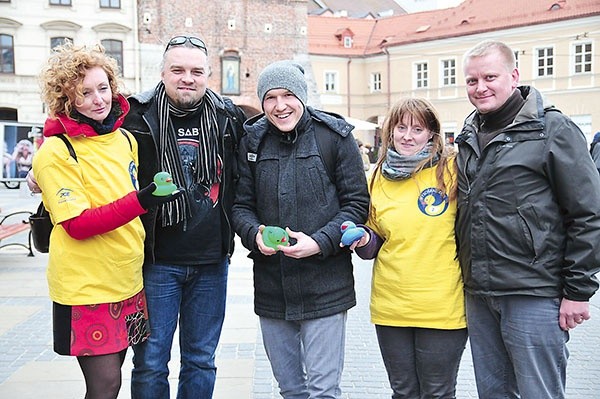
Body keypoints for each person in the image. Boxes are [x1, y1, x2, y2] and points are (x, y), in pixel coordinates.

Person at [32, 42, 181, 399]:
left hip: (127, 280)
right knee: (105, 385)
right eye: (85, 93)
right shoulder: (56, 151)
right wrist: (142, 200)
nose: (99, 100)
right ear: (67, 100)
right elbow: (77, 225)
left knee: (123, 374)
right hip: (87, 287)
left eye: (103, 88)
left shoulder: (123, 138)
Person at [455, 40, 600, 399]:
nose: (480, 87)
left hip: (533, 291)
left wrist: (578, 292)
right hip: (480, 292)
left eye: (490, 76)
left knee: (539, 393)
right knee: (494, 393)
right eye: (472, 80)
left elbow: (588, 213)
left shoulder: (553, 130)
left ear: (514, 75)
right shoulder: (470, 132)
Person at [232, 60, 370, 398]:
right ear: (262, 102)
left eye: (289, 95)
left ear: (302, 96)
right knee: (291, 389)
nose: (280, 106)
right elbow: (239, 207)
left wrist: (320, 242)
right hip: (272, 288)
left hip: (325, 286)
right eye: (271, 98)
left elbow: (356, 205)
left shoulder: (334, 137)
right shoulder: (252, 142)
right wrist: (255, 235)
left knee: (323, 390)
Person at [124, 35, 246, 398]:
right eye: (177, 70)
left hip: (212, 262)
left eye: (196, 71)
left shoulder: (228, 117)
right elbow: (90, 141)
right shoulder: (135, 115)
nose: (187, 78)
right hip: (155, 261)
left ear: (209, 75)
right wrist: (41, 166)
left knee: (201, 359)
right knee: (149, 361)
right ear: (162, 73)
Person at [348, 98, 467, 398]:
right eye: (401, 128)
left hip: (442, 306)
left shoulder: (452, 170)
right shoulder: (376, 177)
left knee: (437, 392)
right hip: (391, 306)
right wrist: (363, 238)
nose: (407, 136)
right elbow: (376, 236)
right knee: (403, 391)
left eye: (417, 128)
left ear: (432, 134)